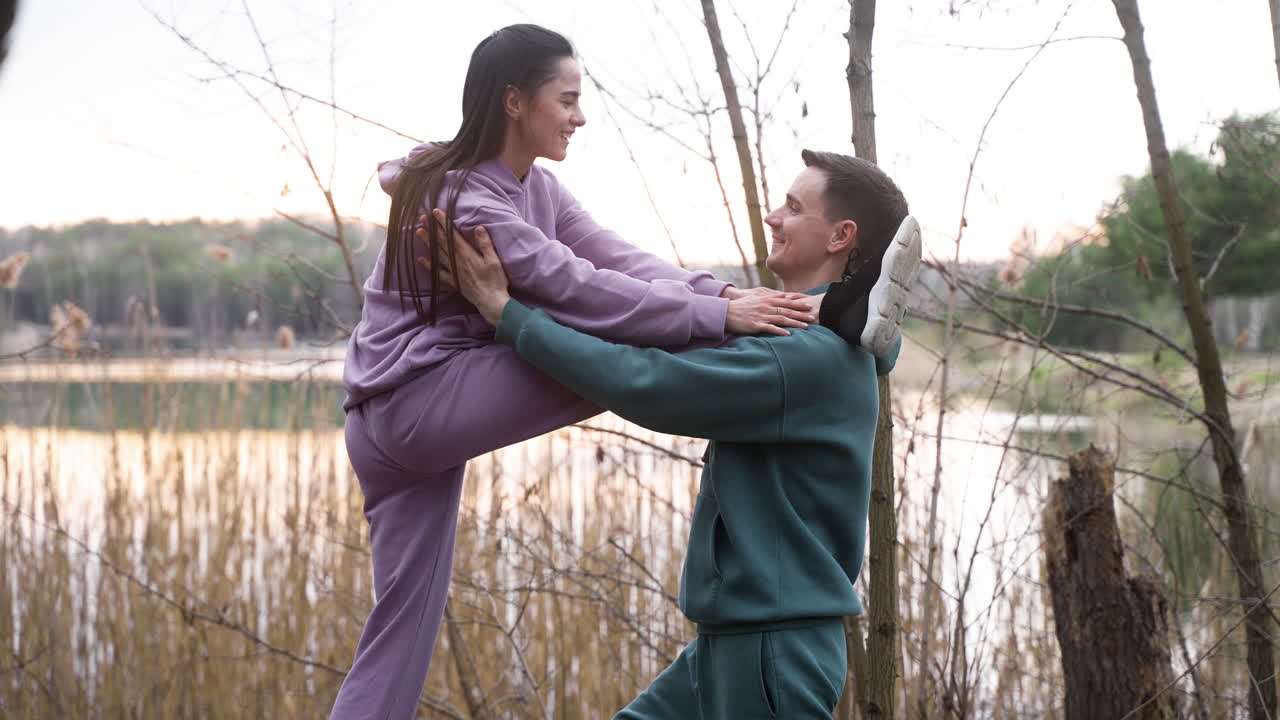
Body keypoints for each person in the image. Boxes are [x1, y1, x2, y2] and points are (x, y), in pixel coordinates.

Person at [332, 23, 820, 720]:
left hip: (392, 416)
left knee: (400, 634)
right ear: (513, 102)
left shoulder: (536, 190)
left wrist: (715, 294)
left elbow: (616, 259)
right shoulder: (465, 200)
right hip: (417, 405)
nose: (579, 116)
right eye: (566, 99)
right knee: (614, 352)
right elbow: (576, 288)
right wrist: (715, 320)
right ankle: (813, 337)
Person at [438, 148, 921, 719]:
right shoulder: (812, 338)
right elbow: (682, 324)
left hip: (771, 652)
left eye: (793, 208)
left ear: (841, 236)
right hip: (733, 644)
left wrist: (509, 316)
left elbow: (646, 383)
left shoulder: (803, 359)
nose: (772, 217)